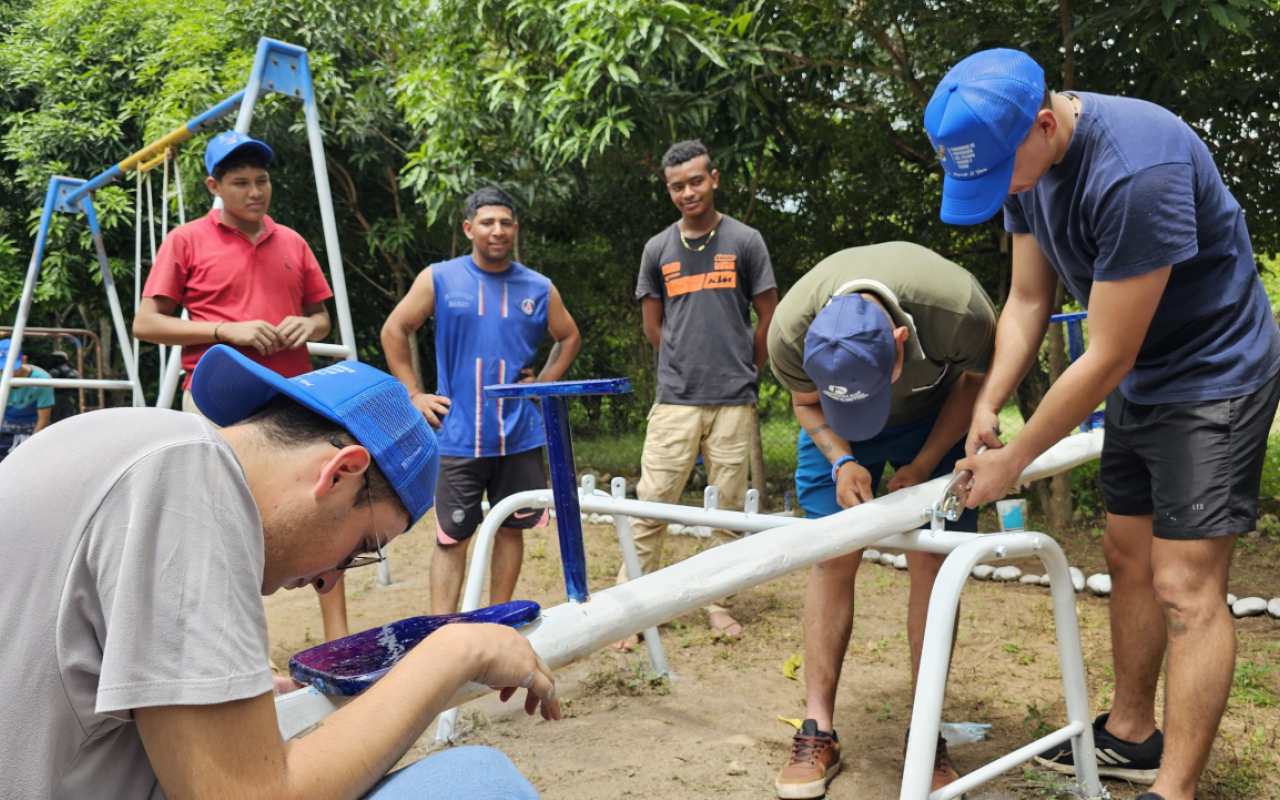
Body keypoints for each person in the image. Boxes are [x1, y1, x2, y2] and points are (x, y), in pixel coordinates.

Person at [925, 49, 1280, 800]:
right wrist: (992, 398)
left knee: (1185, 582)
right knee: (1127, 555)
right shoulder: (1022, 154)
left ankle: (1172, 790)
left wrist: (1014, 458)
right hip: (1144, 374)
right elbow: (1027, 299)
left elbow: (1108, 354)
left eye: (998, 176)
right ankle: (1130, 733)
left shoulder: (1134, 170)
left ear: (1045, 124)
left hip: (1214, 374)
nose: (999, 193)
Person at [0, 343, 559, 800]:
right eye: (363, 546)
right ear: (341, 473)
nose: (330, 581)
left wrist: (215, 694)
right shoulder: (187, 481)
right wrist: (453, 652)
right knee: (478, 784)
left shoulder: (122, 437)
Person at [765, 243, 995, 798]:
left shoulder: (959, 309)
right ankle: (817, 729)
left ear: (900, 341)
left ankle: (925, 733)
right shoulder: (789, 332)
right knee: (831, 557)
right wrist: (842, 459)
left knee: (932, 568)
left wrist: (922, 465)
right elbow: (806, 403)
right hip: (834, 429)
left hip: (937, 416)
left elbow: (977, 386)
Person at [132, 131, 349, 641]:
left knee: (326, 507)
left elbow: (321, 319)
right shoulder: (185, 240)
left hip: (294, 398)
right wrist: (222, 331)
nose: (255, 192)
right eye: (241, 183)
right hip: (217, 400)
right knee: (222, 520)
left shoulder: (292, 241)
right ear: (215, 186)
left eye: (262, 181)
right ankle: (239, 647)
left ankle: (341, 642)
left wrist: (308, 326)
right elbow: (147, 323)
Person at [382, 186, 581, 616]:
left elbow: (569, 337)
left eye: (506, 222)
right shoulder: (440, 278)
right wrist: (413, 394)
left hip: (520, 436)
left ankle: (496, 620)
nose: (497, 231)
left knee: (512, 530)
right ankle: (440, 632)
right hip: (457, 436)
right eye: (488, 222)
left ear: (515, 229)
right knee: (452, 538)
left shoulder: (539, 287)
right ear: (469, 228)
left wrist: (543, 383)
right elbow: (394, 329)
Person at [613, 140, 779, 649]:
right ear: (669, 190)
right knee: (652, 503)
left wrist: (742, 367)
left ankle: (718, 604)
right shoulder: (657, 249)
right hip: (675, 400)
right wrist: (683, 364)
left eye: (696, 181)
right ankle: (632, 607)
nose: (688, 192)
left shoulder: (745, 240)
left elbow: (769, 316)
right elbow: (653, 327)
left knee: (727, 508)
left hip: (734, 399)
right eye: (677, 186)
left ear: (715, 179)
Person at [0, 338, 54, 461]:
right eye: (1, 368)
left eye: (11, 368)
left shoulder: (41, 381)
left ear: (23, 360)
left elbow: (43, 420)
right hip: (5, 427)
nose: (5, 373)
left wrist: (31, 446)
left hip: (32, 428)